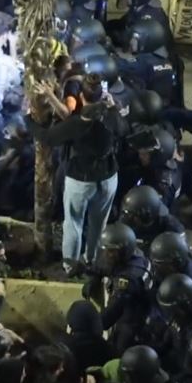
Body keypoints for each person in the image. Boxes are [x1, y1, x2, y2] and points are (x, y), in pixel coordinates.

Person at [28, 73, 126, 274]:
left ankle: (70, 265)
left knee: (73, 223)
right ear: (102, 96)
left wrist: (28, 120)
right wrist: (114, 106)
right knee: (99, 223)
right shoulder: (111, 115)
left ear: (81, 97)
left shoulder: (78, 124)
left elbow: (48, 137)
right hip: (108, 177)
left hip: (81, 180)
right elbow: (124, 128)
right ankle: (91, 260)